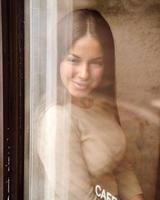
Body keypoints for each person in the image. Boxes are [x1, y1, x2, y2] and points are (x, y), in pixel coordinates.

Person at [37, 9, 144, 200]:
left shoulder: (100, 103)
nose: (84, 74)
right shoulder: (58, 118)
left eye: (96, 63)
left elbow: (122, 166)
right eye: (73, 60)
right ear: (57, 59)